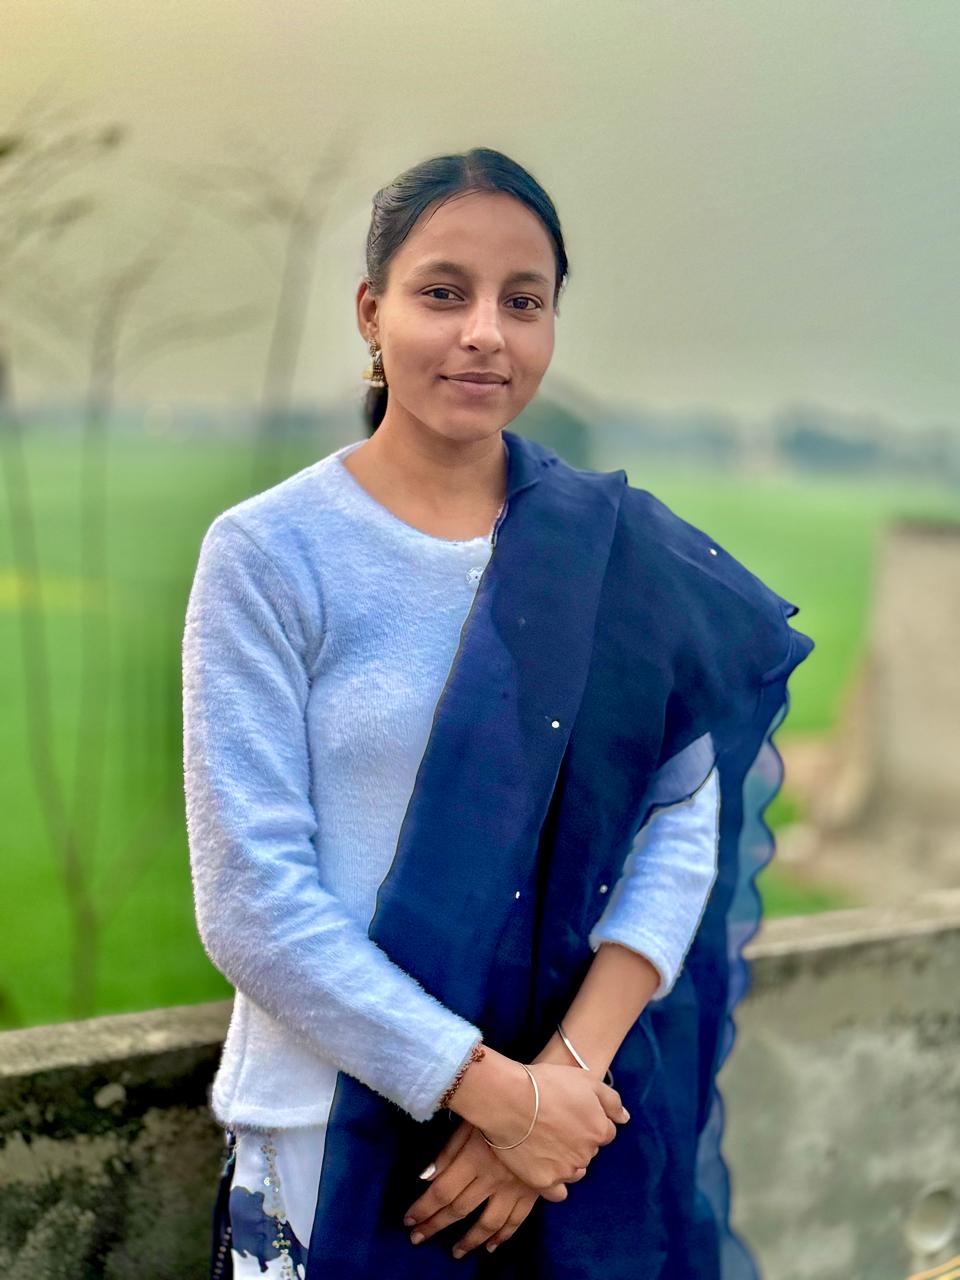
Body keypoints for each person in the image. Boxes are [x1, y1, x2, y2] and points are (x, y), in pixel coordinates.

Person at [182, 147, 813, 1279]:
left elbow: (682, 816)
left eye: (523, 301)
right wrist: (495, 1095)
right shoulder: (273, 554)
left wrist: (561, 1081)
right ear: (370, 314)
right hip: (324, 1140)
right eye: (443, 293)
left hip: (568, 1148)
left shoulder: (609, 554)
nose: (485, 332)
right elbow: (251, 901)